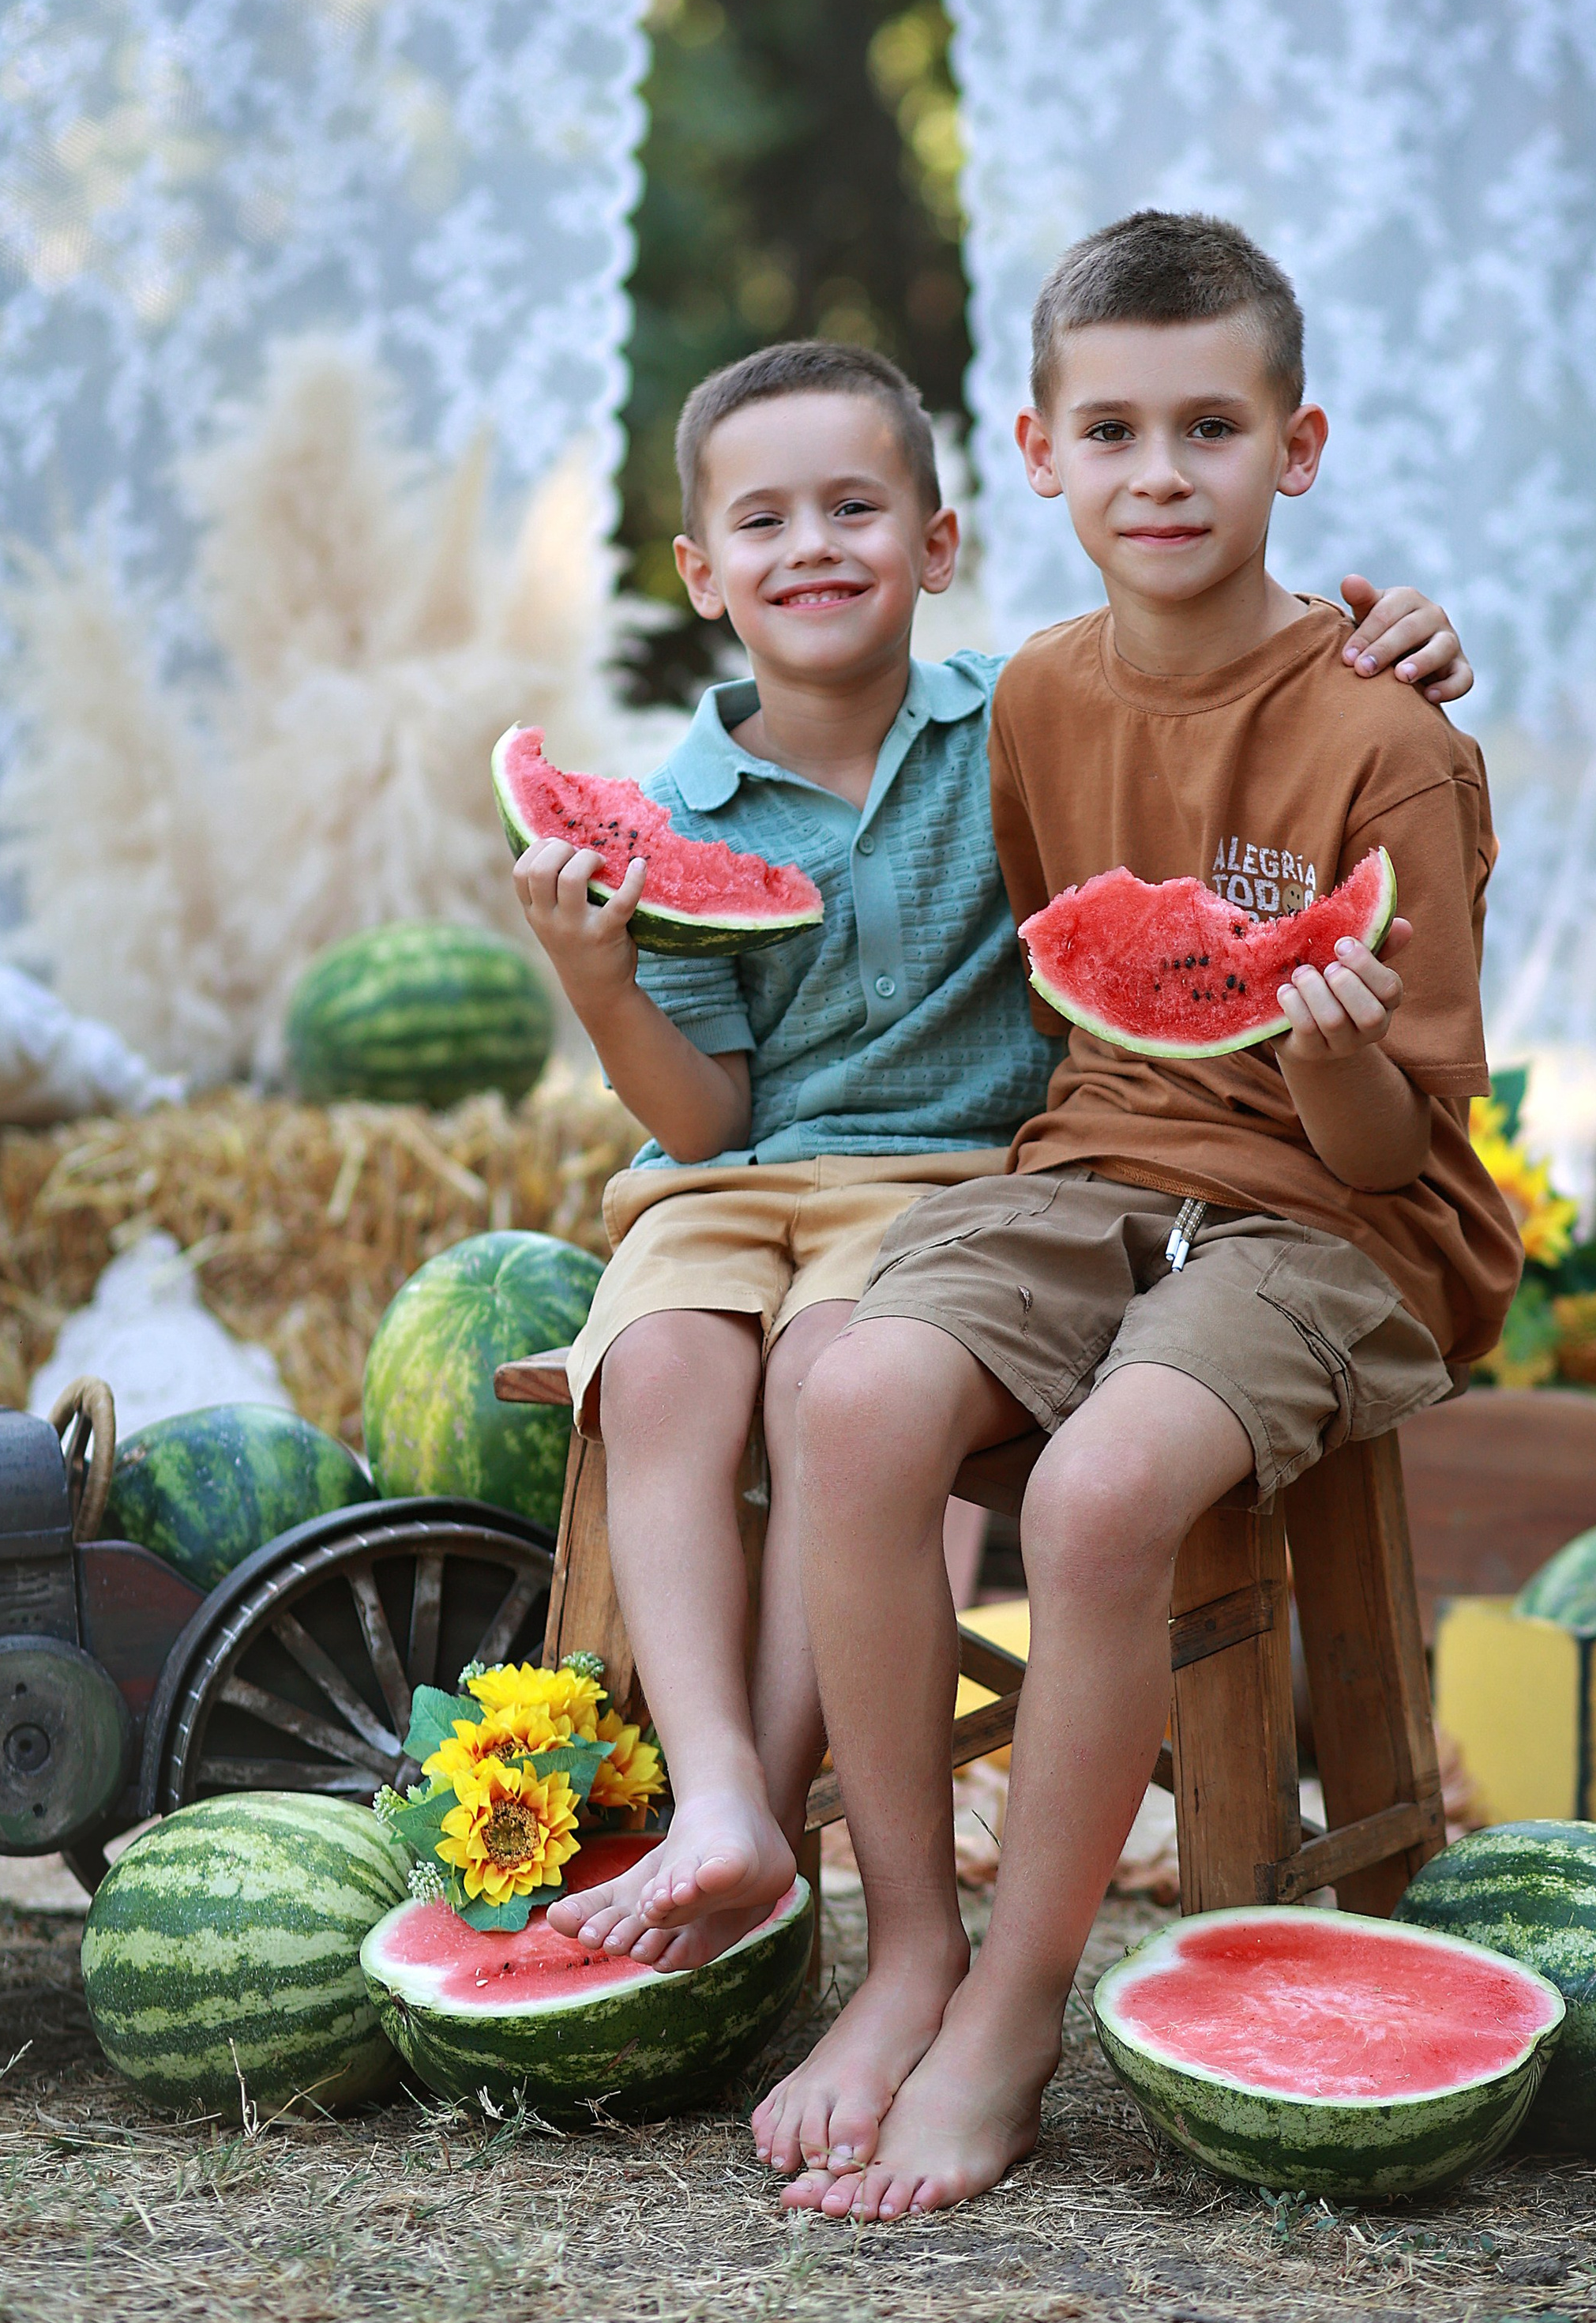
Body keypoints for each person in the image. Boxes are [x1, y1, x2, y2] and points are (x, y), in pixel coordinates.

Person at [512, 334, 1474, 1976]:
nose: (810, 544)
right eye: (762, 522)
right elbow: (705, 1123)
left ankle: (783, 1838)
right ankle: (725, 1796)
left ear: (938, 540)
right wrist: (596, 976)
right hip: (763, 1173)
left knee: (835, 1371)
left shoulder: (1008, 719)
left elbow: (1193, 725)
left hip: (977, 1180)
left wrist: (1375, 630)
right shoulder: (691, 801)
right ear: (697, 572)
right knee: (661, 1367)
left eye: (852, 507)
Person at [758, 216, 1522, 2218]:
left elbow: (1375, 1154)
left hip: (1337, 1228)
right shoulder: (1032, 696)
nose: (1161, 472)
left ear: (1299, 442)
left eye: (1210, 425)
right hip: (1091, 1169)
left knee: (1097, 1501)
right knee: (844, 1397)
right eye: (1113, 429)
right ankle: (903, 1938)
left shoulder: (1389, 736)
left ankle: (1013, 2002)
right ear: (1033, 453)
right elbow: (1064, 982)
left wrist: (1330, 1043)